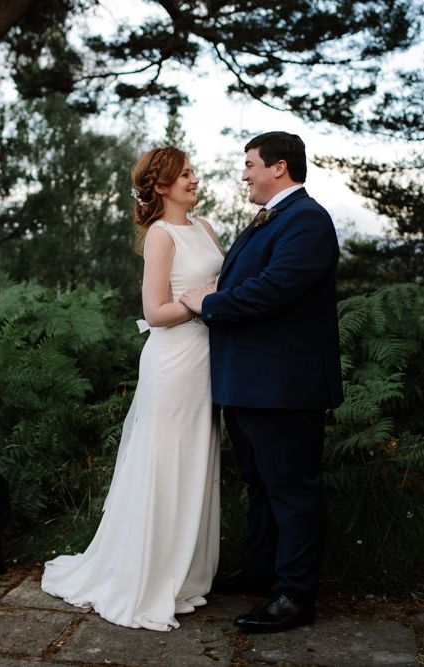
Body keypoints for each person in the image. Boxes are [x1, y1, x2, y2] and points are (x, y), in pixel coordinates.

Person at [41, 146, 224, 631]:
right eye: (184, 174)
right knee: (164, 462)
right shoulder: (161, 236)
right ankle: (147, 575)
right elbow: (156, 311)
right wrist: (202, 303)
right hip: (174, 362)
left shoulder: (204, 228)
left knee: (195, 461)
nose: (194, 179)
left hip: (207, 362)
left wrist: (214, 299)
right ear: (161, 187)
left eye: (192, 170)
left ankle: (184, 575)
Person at [180, 131, 343, 634]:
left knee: (291, 490)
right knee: (260, 485)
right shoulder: (270, 218)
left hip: (284, 385)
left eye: (250, 164)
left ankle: (295, 594)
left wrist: (207, 304)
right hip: (250, 382)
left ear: (278, 167)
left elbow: (274, 290)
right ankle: (261, 570)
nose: (244, 173)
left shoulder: (308, 220)